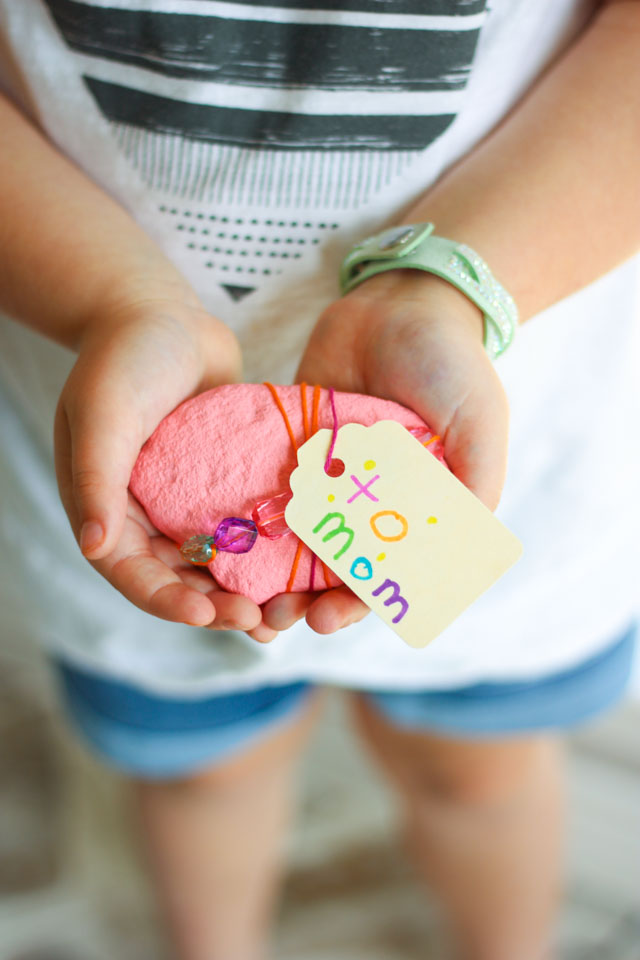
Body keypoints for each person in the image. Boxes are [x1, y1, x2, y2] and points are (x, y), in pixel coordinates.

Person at [0, 1, 638, 958]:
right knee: (199, 774)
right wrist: (110, 301)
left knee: (481, 770)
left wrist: (449, 283)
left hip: (510, 410)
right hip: (109, 441)